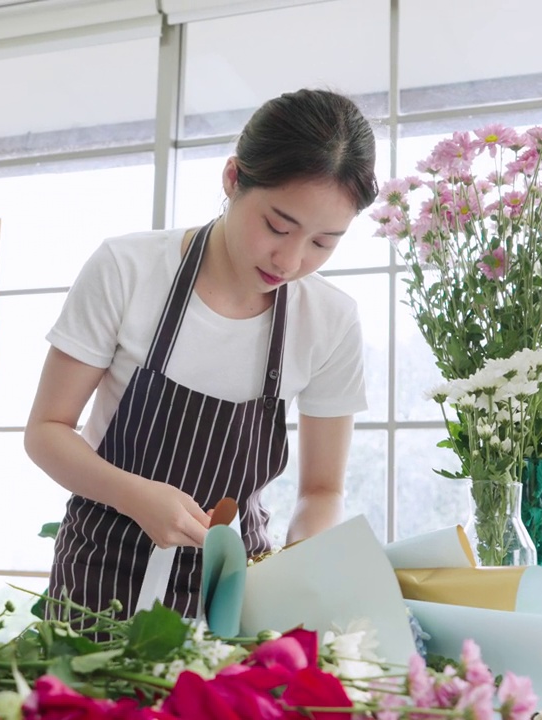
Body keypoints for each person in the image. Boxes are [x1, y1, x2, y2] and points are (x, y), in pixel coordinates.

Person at [25, 89, 377, 618]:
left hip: (237, 590)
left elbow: (322, 489)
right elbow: (46, 432)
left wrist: (302, 566)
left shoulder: (329, 319)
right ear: (233, 179)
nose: (290, 259)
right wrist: (136, 496)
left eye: (323, 243)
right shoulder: (129, 268)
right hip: (99, 576)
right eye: (278, 227)